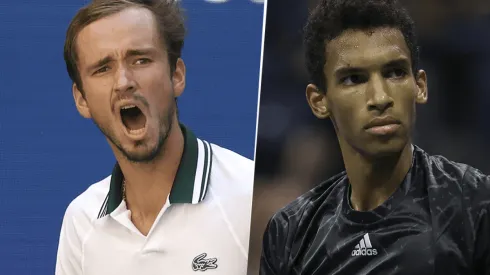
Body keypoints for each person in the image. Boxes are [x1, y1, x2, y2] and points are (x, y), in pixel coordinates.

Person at [260, 0, 490, 274]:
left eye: (395, 72)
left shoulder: (477, 206)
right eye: (354, 79)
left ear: (420, 86)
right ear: (318, 101)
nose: (380, 98)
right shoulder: (290, 232)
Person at [55, 1, 253, 274]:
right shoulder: (81, 221)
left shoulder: (247, 196)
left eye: (140, 60)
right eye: (103, 68)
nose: (123, 81)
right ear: (81, 99)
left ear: (177, 75)